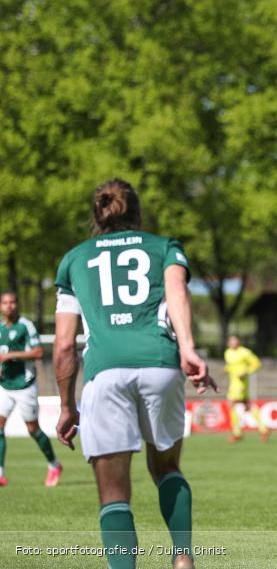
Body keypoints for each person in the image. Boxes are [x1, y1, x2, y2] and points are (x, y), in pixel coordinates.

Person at [53, 178, 217, 569]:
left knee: (114, 495)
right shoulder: (165, 248)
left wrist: (65, 405)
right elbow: (177, 293)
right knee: (166, 468)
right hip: (160, 364)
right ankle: (182, 558)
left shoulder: (74, 260)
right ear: (138, 213)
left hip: (104, 372)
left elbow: (63, 346)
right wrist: (188, 347)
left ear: (97, 216)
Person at [0, 292, 62, 487]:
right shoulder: (0, 328)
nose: (9, 306)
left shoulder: (25, 326)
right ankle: (0, 473)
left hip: (25, 386)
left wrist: (11, 356)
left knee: (32, 429)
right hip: (5, 386)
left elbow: (38, 352)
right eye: (5, 303)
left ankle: (54, 464)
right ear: (1, 306)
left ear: (17, 305)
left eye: (12, 302)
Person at [224, 335, 269, 443]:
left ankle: (237, 432)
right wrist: (226, 369)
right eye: (231, 341)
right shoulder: (227, 353)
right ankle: (263, 429)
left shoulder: (245, 352)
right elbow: (231, 366)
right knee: (247, 405)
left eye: (235, 341)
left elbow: (256, 363)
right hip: (233, 382)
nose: (233, 343)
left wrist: (246, 372)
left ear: (238, 342)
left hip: (241, 383)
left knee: (231, 403)